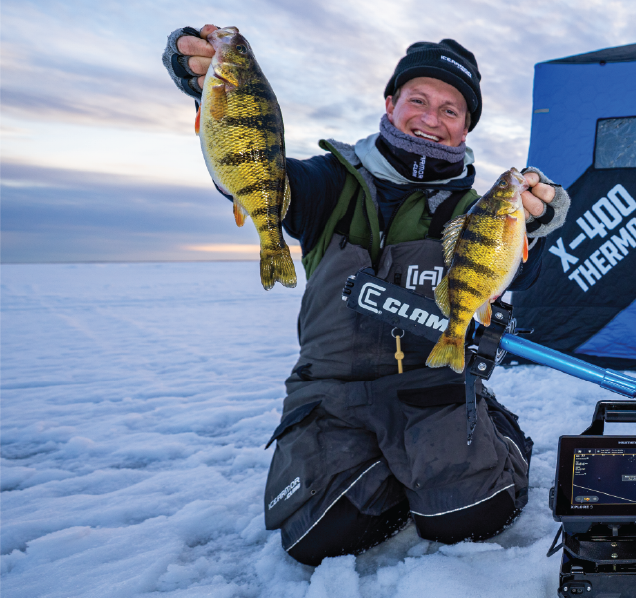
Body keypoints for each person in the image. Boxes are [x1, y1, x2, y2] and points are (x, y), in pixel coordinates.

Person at [163, 25, 570, 565]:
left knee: (472, 515)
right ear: (390, 102)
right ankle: (390, 468)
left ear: (465, 127)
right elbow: (256, 172)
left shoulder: (475, 210)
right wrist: (209, 96)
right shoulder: (330, 180)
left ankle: (490, 434)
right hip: (331, 391)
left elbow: (515, 276)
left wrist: (534, 230)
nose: (432, 118)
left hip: (433, 385)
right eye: (418, 100)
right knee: (318, 537)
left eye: (451, 110)